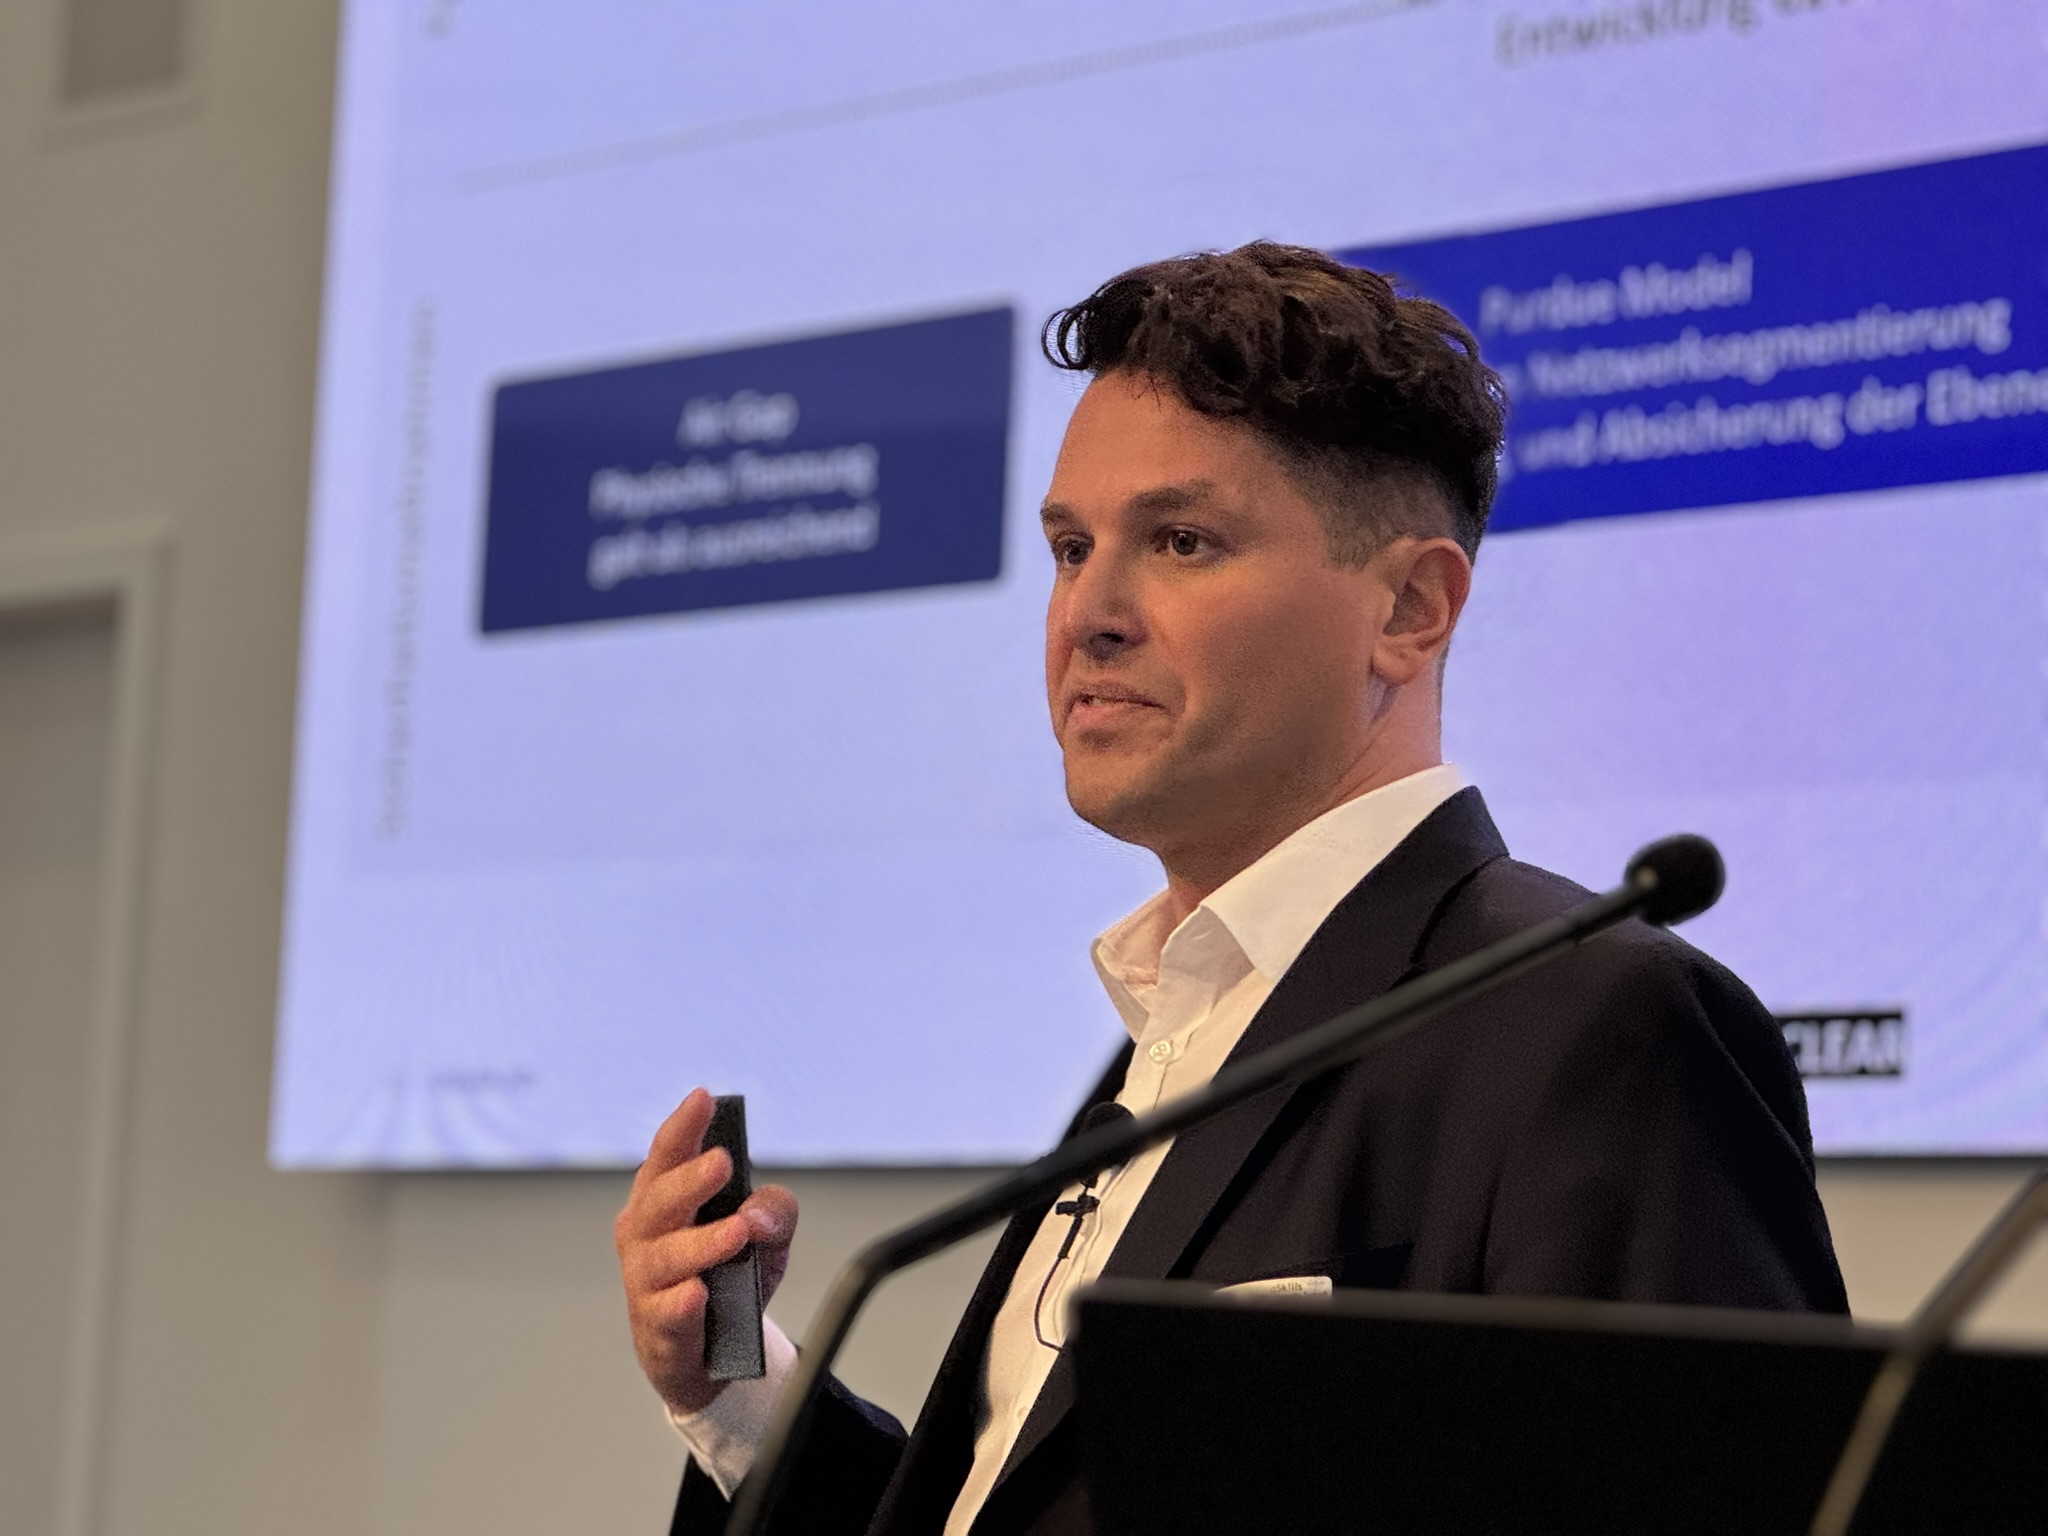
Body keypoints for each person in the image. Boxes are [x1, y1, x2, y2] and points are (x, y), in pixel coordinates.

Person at [614, 243, 1848, 1536]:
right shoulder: (1184, 1026)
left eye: (1181, 541)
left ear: (1410, 611)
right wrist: (740, 1395)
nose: (1088, 613)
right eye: (1071, 548)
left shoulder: (1596, 1028)